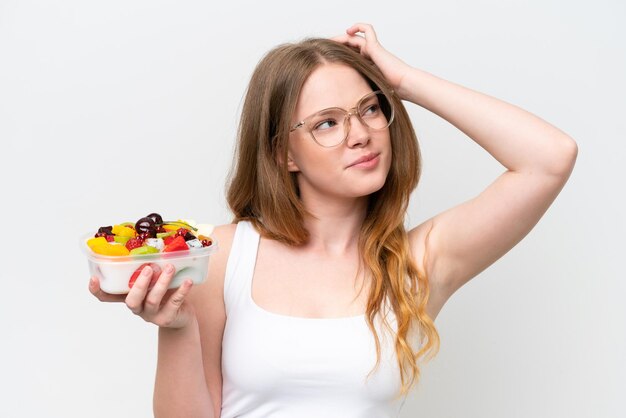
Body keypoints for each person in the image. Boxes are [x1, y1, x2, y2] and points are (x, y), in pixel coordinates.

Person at [89, 23, 577, 418]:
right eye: (327, 122)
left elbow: (550, 158)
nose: (361, 134)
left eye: (369, 109)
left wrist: (403, 82)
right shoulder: (224, 255)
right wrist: (175, 327)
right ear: (284, 153)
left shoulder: (418, 263)